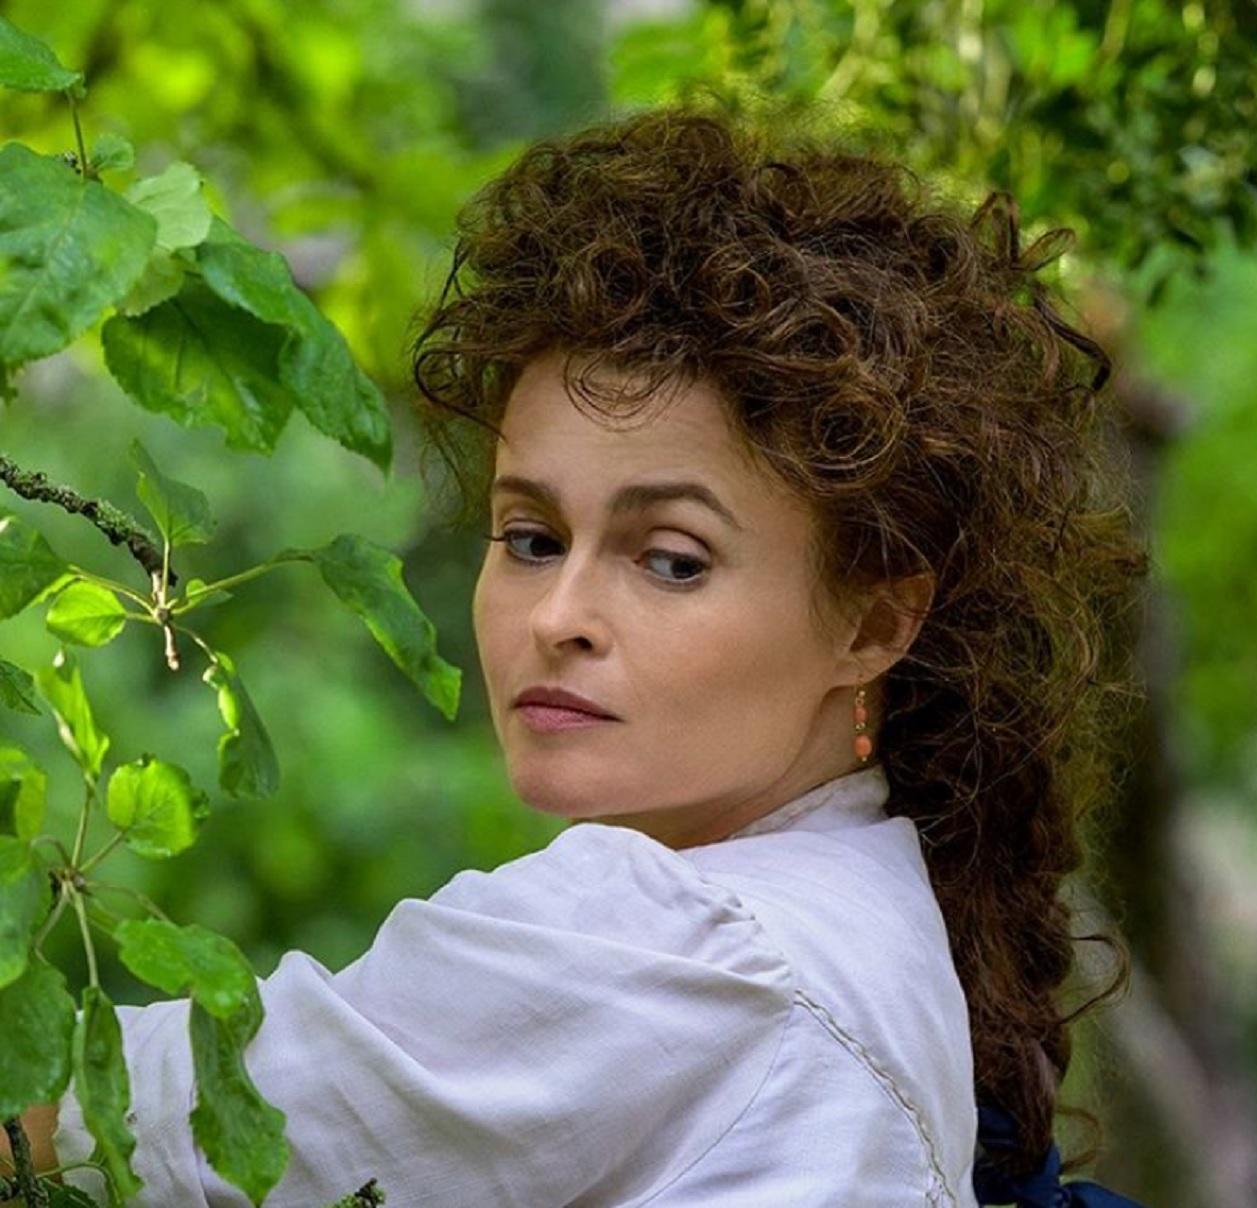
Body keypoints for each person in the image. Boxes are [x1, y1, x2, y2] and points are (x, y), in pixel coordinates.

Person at [7, 99, 1150, 1206]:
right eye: (531, 537)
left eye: (672, 559)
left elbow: (93, 1120)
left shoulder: (677, 941)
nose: (558, 614)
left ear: (871, 624)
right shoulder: (869, 912)